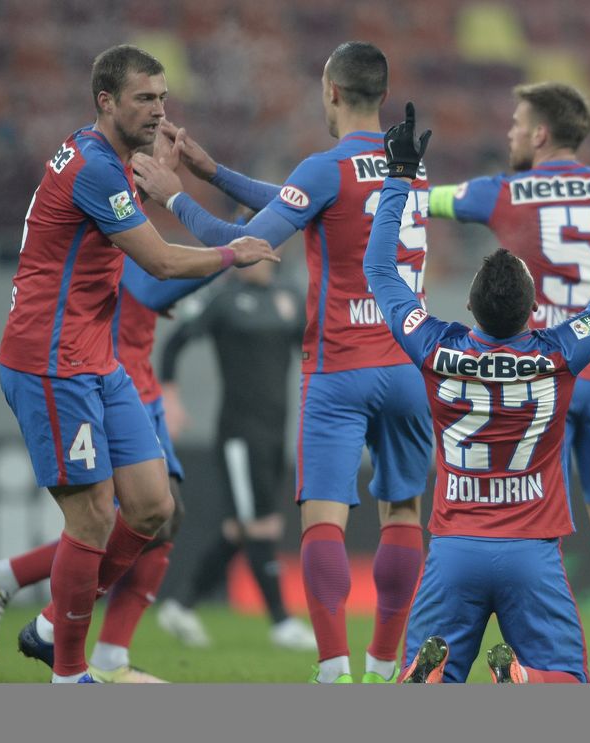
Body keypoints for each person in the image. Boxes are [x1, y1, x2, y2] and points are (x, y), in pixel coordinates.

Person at [131, 41, 432, 684]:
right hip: (408, 366)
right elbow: (312, 200)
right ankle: (384, 665)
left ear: (330, 92)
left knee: (323, 515)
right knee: (402, 512)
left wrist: (175, 196)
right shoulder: (411, 168)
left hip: (341, 368)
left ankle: (333, 671)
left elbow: (243, 245)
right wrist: (214, 173)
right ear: (379, 95)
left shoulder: (325, 167)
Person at [0, 43, 276, 683]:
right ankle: (70, 674)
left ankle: (50, 623)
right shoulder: (95, 167)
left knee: (153, 508)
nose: (158, 110)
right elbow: (160, 261)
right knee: (92, 515)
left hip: (96, 356)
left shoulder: (105, 158)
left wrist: (163, 186)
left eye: (163, 98)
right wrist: (236, 252)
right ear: (106, 101)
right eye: (144, 98)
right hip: (50, 359)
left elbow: (116, 242)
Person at [367, 102, 590, 684]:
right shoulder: (561, 350)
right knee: (567, 681)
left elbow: (380, 269)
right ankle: (525, 682)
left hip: (452, 550)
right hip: (533, 553)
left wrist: (398, 178)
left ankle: (424, 680)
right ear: (534, 310)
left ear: (469, 306)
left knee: (434, 672)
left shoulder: (433, 346)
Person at [425, 81, 590, 683]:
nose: (511, 133)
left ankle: (524, 658)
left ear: (541, 133)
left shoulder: (502, 191)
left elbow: (424, 199)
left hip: (539, 379)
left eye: (518, 124)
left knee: (532, 519)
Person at [0, 252, 221, 683]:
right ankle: (81, 644)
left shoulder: (138, 231)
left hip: (141, 385)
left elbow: (156, 289)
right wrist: (234, 251)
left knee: (164, 518)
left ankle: (85, 639)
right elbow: (157, 281)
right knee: (113, 517)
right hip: (104, 382)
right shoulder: (116, 226)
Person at [155, 255, 314, 652]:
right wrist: (170, 399)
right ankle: (281, 622)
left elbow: (312, 355)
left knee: (240, 528)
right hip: (239, 434)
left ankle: (181, 603)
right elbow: (174, 345)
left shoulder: (290, 298)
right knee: (259, 524)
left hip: (277, 431)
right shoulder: (223, 301)